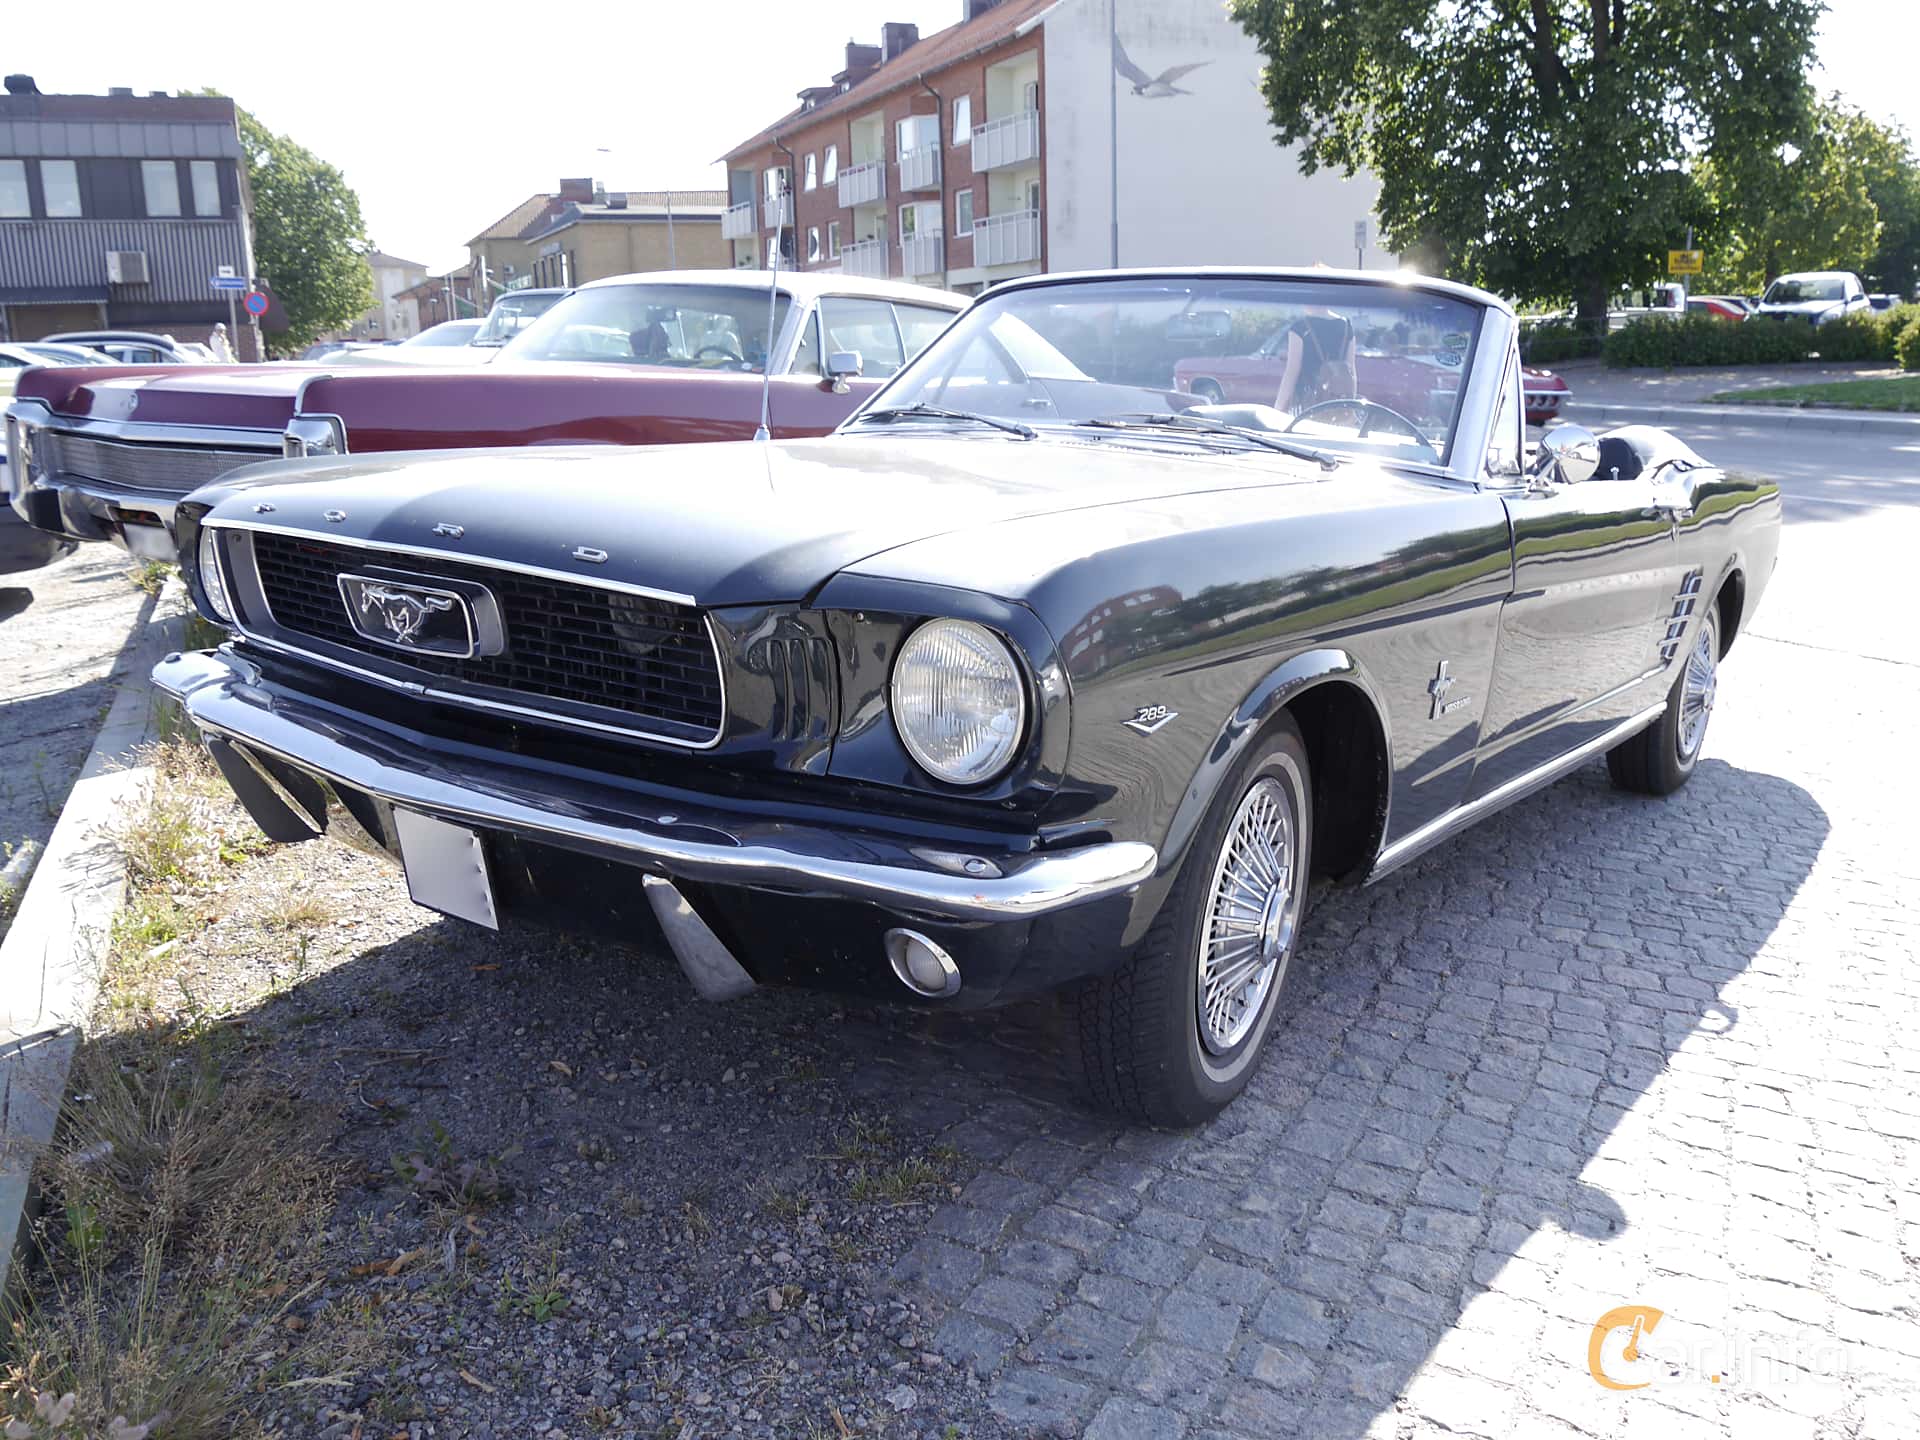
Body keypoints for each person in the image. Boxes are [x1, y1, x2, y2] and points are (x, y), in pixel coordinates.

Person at [1272, 306, 1356, 415]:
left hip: (1306, 405)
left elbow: (1292, 372)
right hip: (1336, 404)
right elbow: (1351, 371)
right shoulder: (1346, 326)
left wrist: (1278, 409)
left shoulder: (1299, 327)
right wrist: (1351, 406)